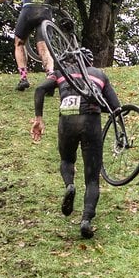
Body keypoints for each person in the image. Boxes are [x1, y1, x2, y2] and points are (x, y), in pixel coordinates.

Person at [30, 50, 120, 239]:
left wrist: (39, 118)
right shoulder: (100, 75)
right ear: (90, 61)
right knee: (92, 179)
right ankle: (86, 220)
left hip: (67, 121)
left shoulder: (61, 72)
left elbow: (39, 89)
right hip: (91, 122)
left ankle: (70, 185)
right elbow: (115, 108)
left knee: (67, 160)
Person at [0, 0, 54, 90]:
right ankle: (51, 76)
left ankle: (23, 78)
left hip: (29, 10)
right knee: (43, 47)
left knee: (19, 42)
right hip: (45, 10)